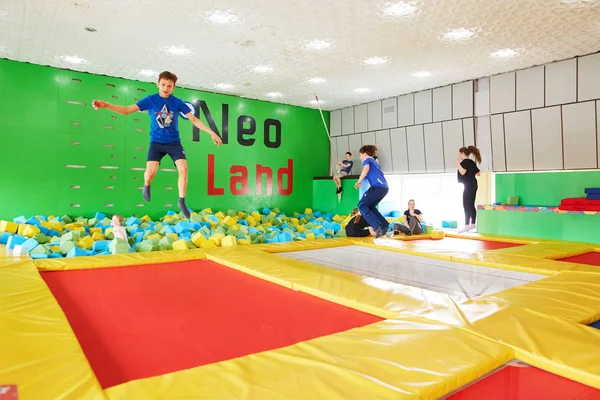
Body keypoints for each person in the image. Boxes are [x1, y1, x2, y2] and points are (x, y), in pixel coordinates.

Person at [92, 71, 223, 219]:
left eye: (169, 86)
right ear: (157, 84)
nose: (166, 88)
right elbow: (127, 110)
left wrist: (211, 132)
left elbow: (194, 120)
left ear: (173, 88)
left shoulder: (177, 103)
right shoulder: (150, 100)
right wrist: (106, 105)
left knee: (184, 168)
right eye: (163, 84)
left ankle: (181, 201)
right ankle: (146, 185)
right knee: (150, 173)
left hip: (174, 143)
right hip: (156, 143)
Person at [354, 145, 389, 238]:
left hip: (377, 187)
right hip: (384, 188)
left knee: (361, 205)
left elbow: (366, 169)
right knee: (370, 206)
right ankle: (384, 225)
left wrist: (359, 181)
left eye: (360, 155)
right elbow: (372, 173)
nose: (360, 157)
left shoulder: (367, 160)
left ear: (364, 154)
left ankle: (377, 227)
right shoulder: (374, 162)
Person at [456, 145, 482, 233]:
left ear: (462, 153)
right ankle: (473, 224)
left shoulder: (464, 162)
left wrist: (457, 163)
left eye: (459, 154)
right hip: (473, 185)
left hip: (468, 185)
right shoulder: (471, 162)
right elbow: (478, 173)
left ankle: (466, 225)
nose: (459, 155)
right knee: (471, 204)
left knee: (466, 204)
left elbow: (463, 172)